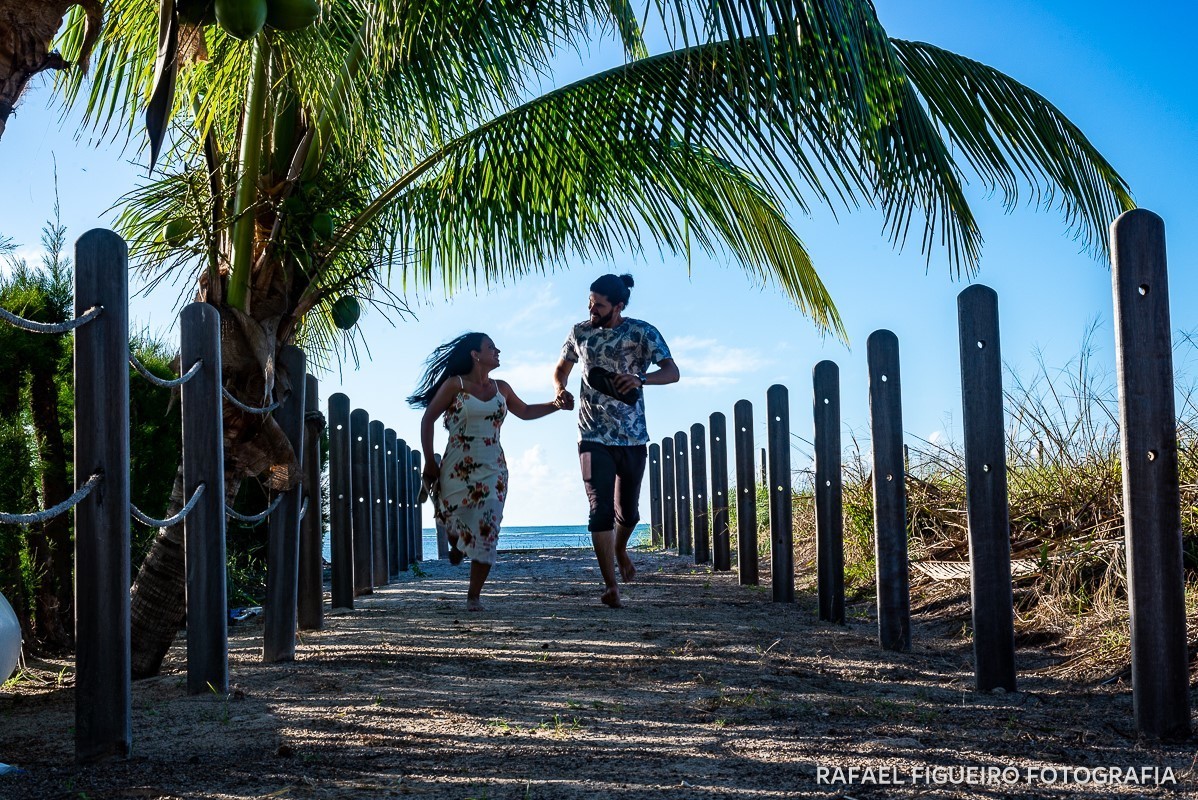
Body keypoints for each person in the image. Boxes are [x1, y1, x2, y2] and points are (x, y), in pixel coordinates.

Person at [409, 332, 571, 611]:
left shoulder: (502, 388)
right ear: (475, 354)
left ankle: (474, 595)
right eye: (490, 347)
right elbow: (428, 420)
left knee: (488, 530)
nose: (497, 351)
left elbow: (526, 411)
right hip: (456, 469)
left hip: (493, 470)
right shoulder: (454, 385)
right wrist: (429, 461)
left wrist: (556, 405)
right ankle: (457, 542)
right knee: (453, 521)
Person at [553, 274, 679, 607]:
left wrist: (641, 378)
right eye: (590, 303)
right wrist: (559, 390)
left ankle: (621, 549)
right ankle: (611, 586)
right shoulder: (580, 332)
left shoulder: (642, 332)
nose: (592, 310)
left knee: (630, 513)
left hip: (634, 437)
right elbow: (561, 369)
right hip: (591, 435)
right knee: (600, 512)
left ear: (618, 306)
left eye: (600, 306)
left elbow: (672, 371)